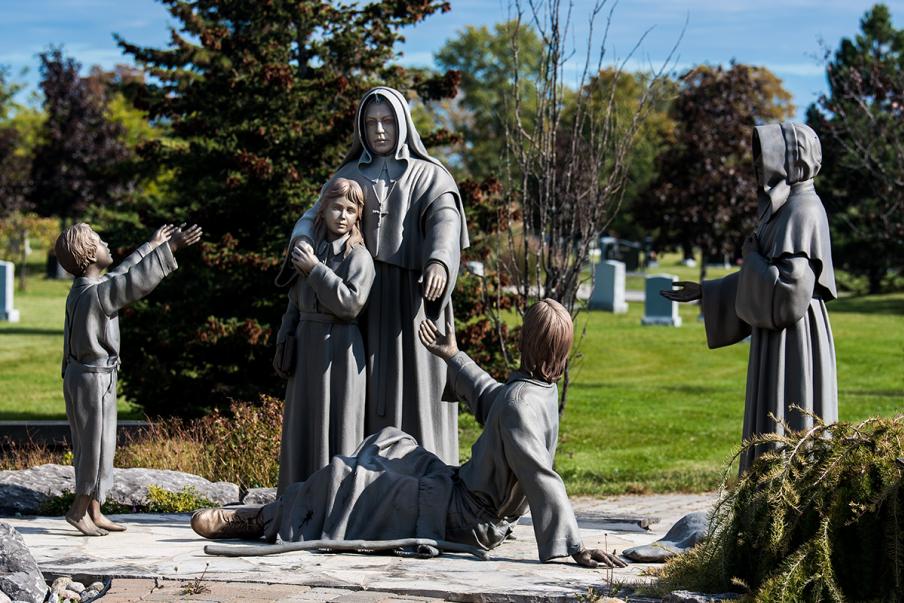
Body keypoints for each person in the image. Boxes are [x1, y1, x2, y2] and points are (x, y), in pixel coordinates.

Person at [192, 299, 626, 569]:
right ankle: (292, 509)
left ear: (528, 340)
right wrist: (453, 355)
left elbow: (541, 476)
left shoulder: (521, 405)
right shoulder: (538, 391)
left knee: (354, 477)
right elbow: (492, 398)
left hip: (465, 517)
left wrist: (572, 546)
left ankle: (264, 520)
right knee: (390, 441)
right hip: (461, 494)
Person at [282, 86, 468, 465]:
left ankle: (423, 478)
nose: (379, 130)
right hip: (358, 301)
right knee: (355, 401)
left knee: (416, 391)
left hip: (411, 301)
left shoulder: (430, 176)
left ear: (402, 124)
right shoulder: (349, 175)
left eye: (387, 121)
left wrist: (438, 261)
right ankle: (359, 482)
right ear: (361, 129)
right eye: (371, 123)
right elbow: (313, 215)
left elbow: (446, 221)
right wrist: (302, 240)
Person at [662, 122, 837, 473]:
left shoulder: (803, 211)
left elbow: (788, 293)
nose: (758, 166)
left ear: (793, 158)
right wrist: (708, 291)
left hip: (794, 339)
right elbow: (770, 279)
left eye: (766, 156)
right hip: (778, 334)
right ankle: (765, 493)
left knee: (792, 411)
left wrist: (751, 257)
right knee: (772, 412)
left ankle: (786, 493)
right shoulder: (783, 210)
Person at [55, 222, 202, 536]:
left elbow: (121, 274)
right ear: (88, 255)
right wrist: (171, 248)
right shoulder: (97, 295)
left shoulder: (88, 288)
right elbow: (133, 282)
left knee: (102, 444)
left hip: (91, 377)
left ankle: (95, 510)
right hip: (93, 380)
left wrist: (151, 246)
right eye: (99, 241)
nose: (106, 243)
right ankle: (78, 511)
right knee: (93, 447)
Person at [273, 178, 375, 491]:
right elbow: (293, 302)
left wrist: (315, 269)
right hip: (306, 348)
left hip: (341, 351)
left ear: (358, 215)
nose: (343, 216)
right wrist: (283, 342)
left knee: (338, 426)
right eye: (336, 208)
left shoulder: (359, 257)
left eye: (350, 210)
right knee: (302, 426)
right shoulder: (309, 251)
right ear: (323, 209)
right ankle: (295, 499)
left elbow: (350, 304)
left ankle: (334, 500)